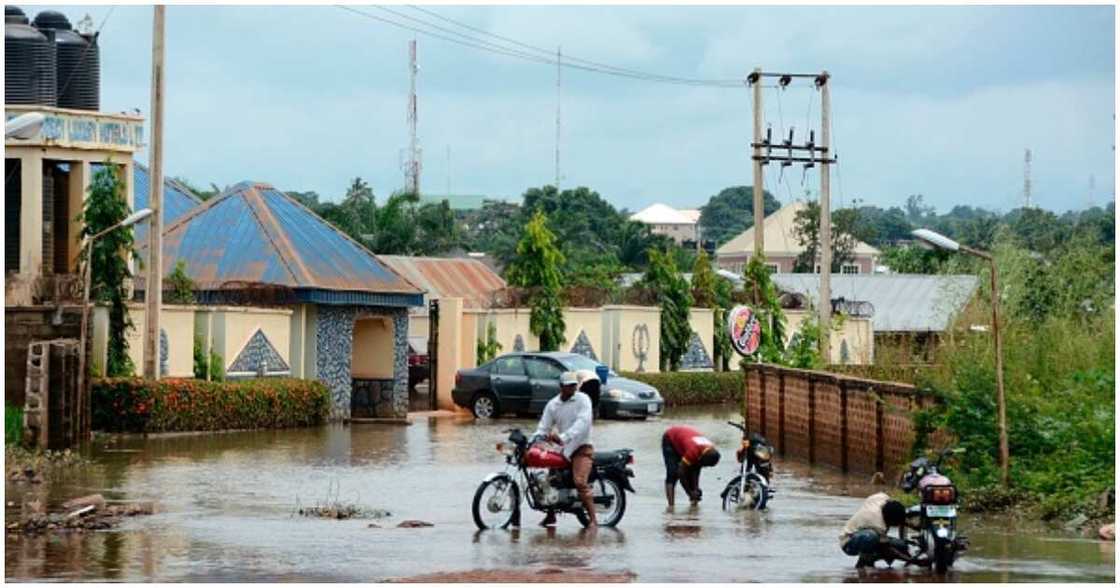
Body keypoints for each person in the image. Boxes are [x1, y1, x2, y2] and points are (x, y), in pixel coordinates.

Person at [534, 370, 597, 528]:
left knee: (580, 482)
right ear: (561, 387)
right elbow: (543, 426)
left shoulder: (583, 400)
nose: (572, 389)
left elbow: (583, 424)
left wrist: (563, 437)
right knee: (550, 481)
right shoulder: (553, 405)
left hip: (582, 447)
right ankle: (551, 516)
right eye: (568, 386)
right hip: (563, 449)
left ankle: (594, 520)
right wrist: (533, 439)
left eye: (574, 385)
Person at [839, 492, 917, 568]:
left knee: (901, 545)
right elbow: (887, 548)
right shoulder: (878, 524)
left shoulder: (881, 498)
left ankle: (871, 558)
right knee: (870, 537)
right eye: (894, 524)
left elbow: (902, 521)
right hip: (849, 542)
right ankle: (862, 564)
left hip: (867, 532)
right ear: (889, 520)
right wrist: (911, 560)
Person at [662, 425, 721, 507]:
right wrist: (689, 492)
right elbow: (680, 472)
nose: (705, 467)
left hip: (685, 440)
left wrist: (696, 488)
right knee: (673, 473)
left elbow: (697, 468)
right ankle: (671, 508)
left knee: (693, 468)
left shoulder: (709, 450)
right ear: (703, 458)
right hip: (670, 438)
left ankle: (694, 505)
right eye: (706, 465)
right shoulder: (693, 451)